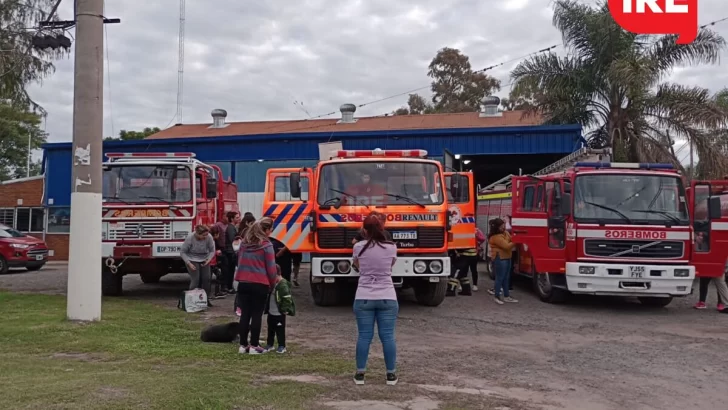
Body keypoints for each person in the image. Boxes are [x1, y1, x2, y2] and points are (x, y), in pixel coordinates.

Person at [352, 213, 399, 386]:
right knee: (388, 336)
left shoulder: (358, 247)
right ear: (382, 227)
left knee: (364, 336)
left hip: (364, 295)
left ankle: (360, 374)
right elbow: (390, 266)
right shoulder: (391, 247)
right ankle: (391, 375)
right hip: (387, 295)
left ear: (364, 230)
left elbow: (357, 266)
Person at [235, 217, 278, 355]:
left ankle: (243, 345)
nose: (271, 232)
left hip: (243, 282)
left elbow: (239, 261)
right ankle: (254, 346)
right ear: (265, 230)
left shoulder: (244, 244)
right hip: (260, 283)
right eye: (271, 229)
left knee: (245, 314)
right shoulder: (267, 246)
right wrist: (272, 284)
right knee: (256, 315)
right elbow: (271, 269)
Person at [180, 225, 216, 306]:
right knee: (195, 280)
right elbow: (182, 252)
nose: (205, 237)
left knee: (206, 279)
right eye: (203, 235)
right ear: (197, 234)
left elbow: (212, 250)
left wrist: (208, 259)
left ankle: (205, 299)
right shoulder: (190, 238)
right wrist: (189, 263)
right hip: (192, 258)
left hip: (204, 258)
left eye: (206, 235)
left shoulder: (209, 237)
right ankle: (190, 300)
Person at [264, 264, 296, 353]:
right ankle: (270, 344)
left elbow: (287, 299)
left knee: (280, 330)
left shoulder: (283, 286)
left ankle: (282, 345)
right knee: (270, 329)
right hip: (271, 312)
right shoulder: (273, 284)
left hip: (279, 313)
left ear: (278, 274)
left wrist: (285, 309)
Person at [488, 218, 518, 305]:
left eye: (504, 225)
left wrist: (512, 240)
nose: (503, 227)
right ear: (497, 227)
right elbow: (507, 246)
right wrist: (516, 241)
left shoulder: (505, 233)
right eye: (501, 226)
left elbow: (510, 240)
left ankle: (506, 296)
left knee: (506, 278)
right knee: (500, 278)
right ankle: (497, 296)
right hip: (500, 258)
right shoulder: (495, 237)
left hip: (507, 257)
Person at [223, 211, 240, 294]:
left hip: (231, 251)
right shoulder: (230, 228)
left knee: (231, 270)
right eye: (237, 217)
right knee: (230, 270)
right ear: (232, 219)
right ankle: (229, 287)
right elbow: (232, 239)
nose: (239, 219)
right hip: (230, 251)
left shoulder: (232, 227)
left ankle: (229, 286)